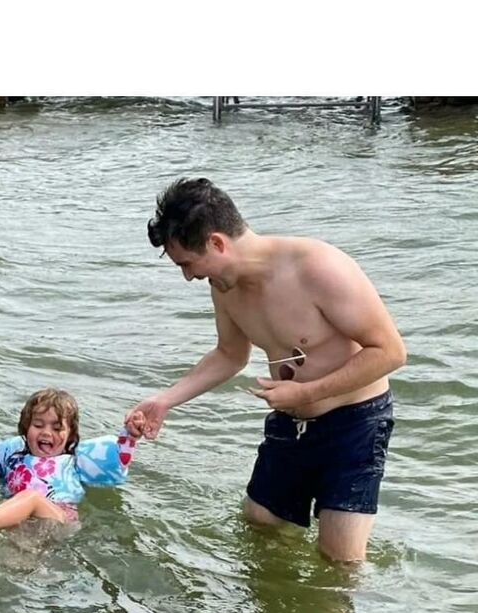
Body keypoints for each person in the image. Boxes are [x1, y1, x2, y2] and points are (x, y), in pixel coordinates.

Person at [125, 178, 407, 562]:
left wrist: (306, 393)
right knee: (260, 525)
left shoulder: (319, 268)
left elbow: (390, 352)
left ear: (217, 243)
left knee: (339, 558)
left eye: (188, 264)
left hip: (356, 424)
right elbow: (229, 354)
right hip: (291, 423)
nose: (188, 277)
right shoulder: (224, 287)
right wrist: (164, 401)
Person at [0, 387, 143, 544]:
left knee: (31, 497)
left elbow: (118, 458)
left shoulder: (75, 460)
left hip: (58, 520)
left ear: (70, 435)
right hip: (19, 519)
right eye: (38, 425)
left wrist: (131, 435)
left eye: (57, 428)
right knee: (15, 560)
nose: (47, 433)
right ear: (26, 427)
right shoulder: (14, 454)